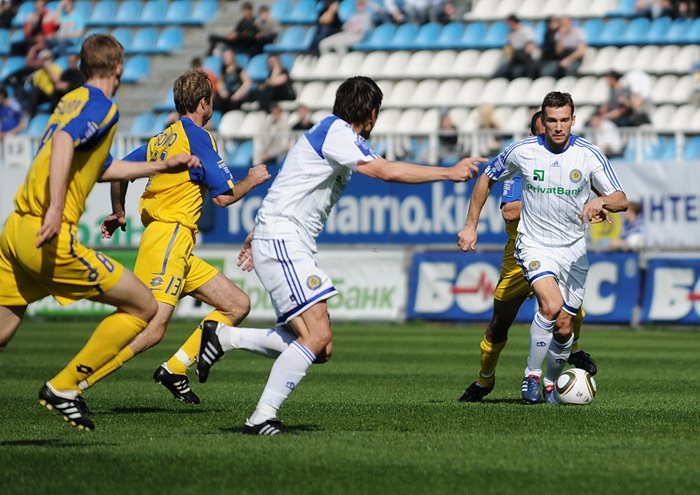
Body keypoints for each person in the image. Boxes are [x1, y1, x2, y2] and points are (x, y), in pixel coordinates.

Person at [182, 76, 487, 435]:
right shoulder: (337, 133)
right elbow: (386, 171)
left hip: (282, 238)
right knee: (316, 336)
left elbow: (294, 180)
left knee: (320, 347)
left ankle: (224, 337)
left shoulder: (334, 133)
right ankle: (262, 416)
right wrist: (448, 172)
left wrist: (258, 230)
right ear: (372, 114)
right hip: (283, 239)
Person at [0, 34, 202, 431]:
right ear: (119, 69)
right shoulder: (102, 105)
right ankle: (64, 387)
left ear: (81, 66)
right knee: (143, 307)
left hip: (16, 230)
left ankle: (64, 388)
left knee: (3, 331)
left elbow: (103, 167)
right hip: (48, 232)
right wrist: (56, 208)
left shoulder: (70, 100)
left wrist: (162, 167)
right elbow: (63, 141)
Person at [77, 69, 270, 403]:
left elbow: (119, 172)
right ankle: (76, 384)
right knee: (150, 328)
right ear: (203, 103)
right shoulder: (198, 136)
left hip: (173, 242)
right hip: (170, 237)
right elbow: (224, 197)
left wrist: (119, 211)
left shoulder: (162, 138)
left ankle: (175, 369)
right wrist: (252, 179)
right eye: (211, 101)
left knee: (236, 305)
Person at [457, 92, 628, 404]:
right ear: (541, 124)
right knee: (536, 311)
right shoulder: (522, 153)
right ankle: (522, 377)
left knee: (564, 325)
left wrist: (600, 201)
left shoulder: (588, 154)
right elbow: (497, 194)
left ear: (573, 121)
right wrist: (471, 225)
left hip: (572, 250)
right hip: (530, 248)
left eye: (563, 120)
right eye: (551, 121)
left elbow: (620, 199)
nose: (557, 127)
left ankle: (551, 382)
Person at [493, 14, 538, 80]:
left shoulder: (526, 30)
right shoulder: (511, 33)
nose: (507, 26)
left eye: (508, 23)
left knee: (517, 72)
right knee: (500, 72)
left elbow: (530, 47)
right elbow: (509, 48)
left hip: (525, 58)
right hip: (515, 58)